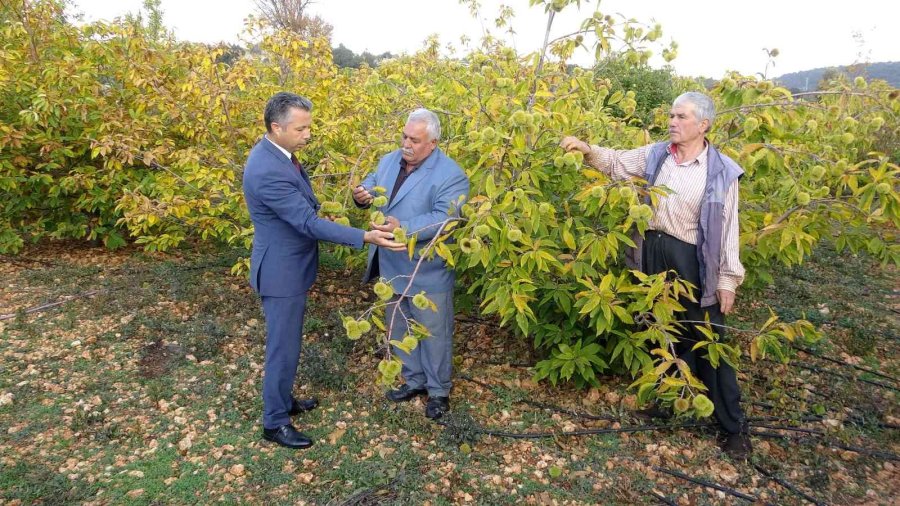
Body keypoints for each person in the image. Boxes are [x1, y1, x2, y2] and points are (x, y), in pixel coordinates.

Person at [560, 91, 752, 459]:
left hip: (692, 258)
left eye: (681, 117)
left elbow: (729, 227)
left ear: (704, 125)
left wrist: (728, 278)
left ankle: (733, 426)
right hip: (651, 251)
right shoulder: (657, 154)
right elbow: (616, 162)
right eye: (671, 115)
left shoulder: (722, 171)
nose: (672, 122)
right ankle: (670, 399)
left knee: (709, 341)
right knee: (660, 329)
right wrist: (586, 149)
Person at [243, 92, 405, 449]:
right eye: (301, 129)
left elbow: (303, 208)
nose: (308, 135)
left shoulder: (279, 154)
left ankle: (283, 402)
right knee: (282, 348)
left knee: (288, 343)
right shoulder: (268, 169)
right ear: (276, 127)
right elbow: (305, 220)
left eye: (308, 127)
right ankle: (274, 422)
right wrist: (364, 236)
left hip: (289, 266)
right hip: (280, 272)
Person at [352, 108, 470, 419]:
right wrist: (362, 193)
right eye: (404, 136)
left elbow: (447, 217)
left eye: (415, 140)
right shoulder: (389, 159)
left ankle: (438, 390)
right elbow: (373, 181)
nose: (407, 144)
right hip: (391, 262)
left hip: (426, 267)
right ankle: (413, 380)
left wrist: (402, 225)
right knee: (400, 325)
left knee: (432, 331)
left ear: (432, 143)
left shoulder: (451, 174)